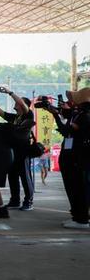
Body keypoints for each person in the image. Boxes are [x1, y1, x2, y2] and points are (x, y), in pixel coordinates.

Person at [43, 88, 90, 229]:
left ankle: (81, 218)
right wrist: (56, 111)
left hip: (78, 157)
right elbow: (68, 116)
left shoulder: (84, 115)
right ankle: (77, 216)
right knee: (74, 187)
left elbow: (66, 130)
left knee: (78, 188)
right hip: (73, 156)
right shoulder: (78, 113)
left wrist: (56, 116)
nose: (71, 101)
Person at [0, 87, 35, 211]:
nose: (15, 105)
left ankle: (28, 201)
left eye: (18, 103)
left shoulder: (28, 115)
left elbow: (21, 102)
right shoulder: (14, 118)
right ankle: (15, 200)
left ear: (24, 105)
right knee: (12, 176)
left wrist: (9, 92)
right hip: (13, 151)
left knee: (25, 177)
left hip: (23, 151)